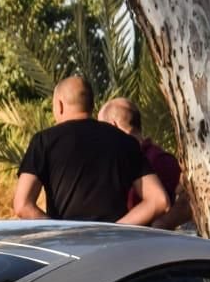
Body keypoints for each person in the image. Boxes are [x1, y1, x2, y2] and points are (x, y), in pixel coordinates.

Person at [13, 76, 168, 225]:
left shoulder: (44, 141)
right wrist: (116, 229)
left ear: (59, 105)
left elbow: (22, 205)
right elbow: (159, 200)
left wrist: (61, 232)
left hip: (66, 248)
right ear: (91, 105)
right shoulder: (126, 142)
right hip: (114, 247)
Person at [97, 97, 190, 230]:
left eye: (102, 130)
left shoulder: (158, 160)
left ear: (113, 126)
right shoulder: (161, 159)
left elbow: (185, 202)